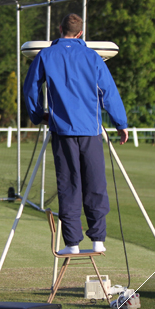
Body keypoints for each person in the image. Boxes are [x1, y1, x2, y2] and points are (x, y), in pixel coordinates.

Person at [23, 13, 128, 254]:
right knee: (96, 183)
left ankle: (71, 243)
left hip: (62, 132)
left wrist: (38, 115)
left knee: (69, 184)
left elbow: (30, 89)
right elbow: (108, 92)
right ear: (81, 33)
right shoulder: (92, 57)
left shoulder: (45, 55)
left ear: (60, 29)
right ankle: (98, 240)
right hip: (90, 131)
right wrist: (120, 123)